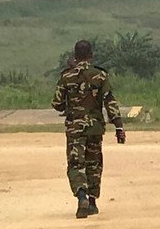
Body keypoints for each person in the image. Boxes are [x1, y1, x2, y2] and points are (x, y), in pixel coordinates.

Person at [52, 40, 127, 219]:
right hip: (95, 128)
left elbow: (57, 104)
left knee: (76, 163)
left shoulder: (67, 76)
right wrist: (118, 126)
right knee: (94, 163)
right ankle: (92, 202)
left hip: (75, 129)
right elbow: (110, 102)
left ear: (75, 55)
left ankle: (82, 197)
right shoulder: (100, 75)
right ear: (91, 55)